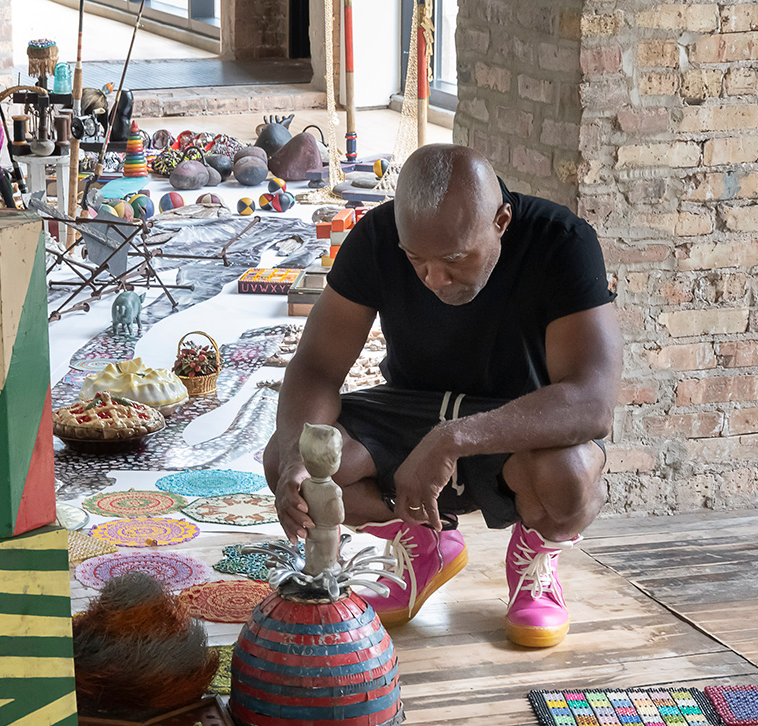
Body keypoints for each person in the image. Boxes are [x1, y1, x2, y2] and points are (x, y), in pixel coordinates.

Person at [264, 143, 622, 648]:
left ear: (501, 220)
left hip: (518, 425)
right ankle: (425, 539)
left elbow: (592, 402)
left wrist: (451, 439)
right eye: (417, 260)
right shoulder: (376, 238)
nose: (434, 278)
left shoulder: (561, 242)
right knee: (290, 455)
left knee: (569, 477)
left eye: (454, 258)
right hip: (409, 412)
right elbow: (317, 367)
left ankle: (536, 552)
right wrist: (299, 464)